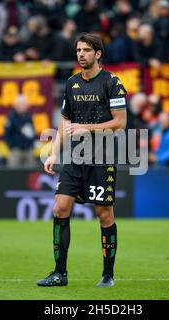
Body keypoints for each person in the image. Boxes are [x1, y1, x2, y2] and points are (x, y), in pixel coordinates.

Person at [37, 33, 127, 288]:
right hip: (76, 158)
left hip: (102, 158)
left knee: (104, 215)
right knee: (60, 208)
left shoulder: (113, 83)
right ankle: (59, 273)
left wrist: (88, 128)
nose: (81, 54)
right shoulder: (71, 83)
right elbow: (66, 121)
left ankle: (108, 275)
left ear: (98, 54)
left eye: (86, 50)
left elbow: (120, 123)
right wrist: (54, 151)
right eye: (78, 50)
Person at [3, 94, 36, 168]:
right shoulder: (11, 117)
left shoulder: (29, 117)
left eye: (25, 104)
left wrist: (32, 143)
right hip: (16, 150)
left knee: (31, 172)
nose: (23, 106)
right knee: (13, 171)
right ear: (16, 105)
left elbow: (32, 132)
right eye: (21, 104)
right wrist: (12, 146)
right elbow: (6, 134)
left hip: (28, 149)